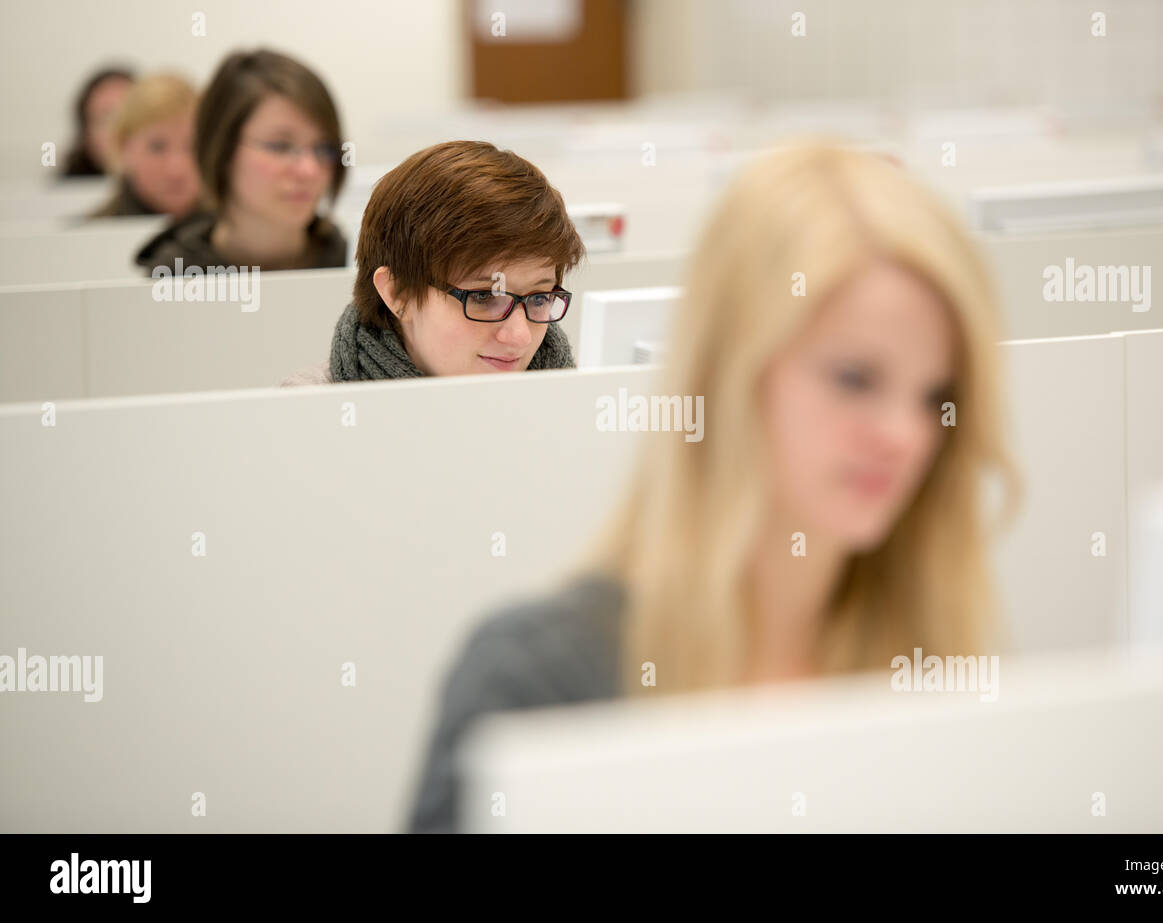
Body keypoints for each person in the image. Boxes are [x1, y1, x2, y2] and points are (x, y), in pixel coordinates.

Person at [407, 140, 1021, 832]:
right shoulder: (544, 684)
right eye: (855, 378)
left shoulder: (933, 654)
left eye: (934, 393)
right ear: (730, 373)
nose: (906, 435)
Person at [280, 140, 583, 385]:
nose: (520, 336)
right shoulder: (306, 414)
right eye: (483, 296)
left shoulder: (578, 400)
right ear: (398, 294)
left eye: (540, 298)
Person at [135, 49, 346, 273]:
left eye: (323, 148)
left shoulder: (358, 265)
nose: (309, 170)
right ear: (222, 150)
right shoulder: (171, 280)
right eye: (280, 146)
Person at [89, 74, 200, 219]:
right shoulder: (87, 237)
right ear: (123, 147)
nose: (176, 168)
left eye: (191, 147)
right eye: (157, 147)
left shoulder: (229, 233)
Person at [62, 67, 134, 178]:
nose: (120, 130)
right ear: (86, 136)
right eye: (106, 120)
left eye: (130, 116)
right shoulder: (58, 192)